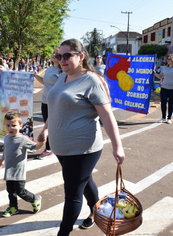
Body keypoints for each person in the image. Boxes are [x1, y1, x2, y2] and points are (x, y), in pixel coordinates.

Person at [37, 39, 125, 236]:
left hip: (82, 148)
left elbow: (106, 115)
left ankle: (64, 232)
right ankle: (98, 212)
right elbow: (56, 106)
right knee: (84, 182)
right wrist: (46, 129)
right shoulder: (62, 77)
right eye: (59, 56)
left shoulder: (91, 80)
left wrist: (117, 146)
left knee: (73, 194)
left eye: (67, 55)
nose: (62, 60)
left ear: (81, 56)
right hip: (62, 148)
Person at [0, 111, 45, 217]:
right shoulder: (7, 138)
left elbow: (35, 147)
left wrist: (42, 143)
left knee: (20, 191)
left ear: (20, 125)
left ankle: (35, 198)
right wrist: (1, 161)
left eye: (13, 125)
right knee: (10, 191)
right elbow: (6, 150)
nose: (10, 128)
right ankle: (13, 207)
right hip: (9, 171)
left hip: (19, 171)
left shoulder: (23, 139)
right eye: (8, 125)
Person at [33, 47, 61, 160]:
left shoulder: (61, 71)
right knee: (47, 124)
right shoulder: (49, 69)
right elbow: (45, 82)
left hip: (54, 102)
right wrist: (35, 75)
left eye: (57, 53)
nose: (53, 55)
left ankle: (49, 149)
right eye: (53, 53)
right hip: (44, 100)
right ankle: (51, 148)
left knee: (50, 126)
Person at [154, 54, 173, 124]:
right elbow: (161, 76)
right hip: (164, 87)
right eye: (167, 59)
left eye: (169, 59)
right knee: (163, 102)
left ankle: (169, 118)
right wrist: (154, 73)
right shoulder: (164, 68)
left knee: (171, 103)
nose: (168, 60)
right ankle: (163, 117)